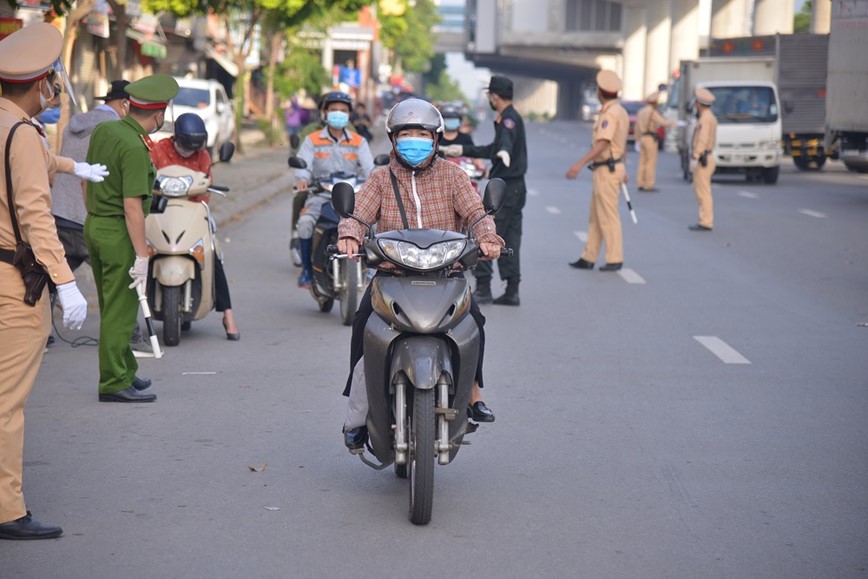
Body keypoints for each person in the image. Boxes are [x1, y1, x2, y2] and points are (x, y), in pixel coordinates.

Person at [336, 98, 504, 449]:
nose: (415, 140)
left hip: (447, 275)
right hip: (391, 275)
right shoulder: (381, 179)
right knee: (364, 325)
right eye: (406, 134)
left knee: (475, 323)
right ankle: (358, 417)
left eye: (422, 134)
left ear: (436, 139)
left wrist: (489, 238)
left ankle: (473, 395)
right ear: (394, 139)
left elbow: (477, 214)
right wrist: (350, 236)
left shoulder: (454, 176)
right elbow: (358, 214)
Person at [0, 22, 89, 541]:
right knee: (7, 404)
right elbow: (36, 216)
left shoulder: (9, 127)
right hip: (15, 282)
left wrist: (71, 163)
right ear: (40, 85)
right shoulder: (22, 134)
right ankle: (8, 509)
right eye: (52, 82)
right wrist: (66, 282)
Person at [84, 74, 179, 403]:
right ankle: (112, 382)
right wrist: (142, 255)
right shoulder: (134, 147)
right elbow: (132, 208)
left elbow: (87, 178)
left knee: (113, 304)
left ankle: (124, 370)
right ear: (157, 115)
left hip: (95, 225)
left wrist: (95, 211)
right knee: (120, 311)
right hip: (118, 233)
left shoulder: (106, 130)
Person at [49, 80, 151, 352]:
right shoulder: (113, 131)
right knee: (119, 284)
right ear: (124, 105)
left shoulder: (75, 124)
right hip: (91, 216)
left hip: (60, 211)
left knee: (51, 277)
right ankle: (130, 338)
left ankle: (42, 331)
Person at [150, 113, 240, 340]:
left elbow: (206, 188)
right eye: (184, 146)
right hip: (159, 210)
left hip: (192, 211)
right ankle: (129, 317)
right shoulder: (158, 150)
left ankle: (228, 314)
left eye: (194, 147)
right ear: (175, 138)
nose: (189, 151)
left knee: (213, 251)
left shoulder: (202, 156)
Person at [444, 75, 527, 306]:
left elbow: (504, 145)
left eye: (490, 95)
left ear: (494, 96)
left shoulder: (508, 119)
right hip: (515, 187)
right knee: (510, 236)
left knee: (486, 229)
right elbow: (493, 148)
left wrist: (504, 152)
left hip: (507, 187)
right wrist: (464, 149)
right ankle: (512, 289)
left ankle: (483, 287)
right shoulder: (508, 116)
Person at [293, 91, 374, 288]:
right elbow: (303, 166)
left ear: (349, 114)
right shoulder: (312, 140)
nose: (338, 114)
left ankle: (371, 272)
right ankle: (307, 271)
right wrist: (303, 179)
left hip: (352, 196)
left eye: (343, 111)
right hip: (321, 194)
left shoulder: (359, 141)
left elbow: (370, 168)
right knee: (304, 223)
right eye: (334, 110)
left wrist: (374, 181)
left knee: (374, 226)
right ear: (325, 112)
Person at [565, 69, 629, 272]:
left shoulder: (609, 114)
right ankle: (589, 256)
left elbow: (603, 144)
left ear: (601, 91)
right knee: (596, 216)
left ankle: (614, 258)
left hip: (607, 170)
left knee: (608, 216)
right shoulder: (620, 111)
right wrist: (623, 167)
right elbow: (622, 144)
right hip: (611, 168)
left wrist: (579, 164)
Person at [688, 87, 718, 232]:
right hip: (705, 156)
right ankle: (704, 219)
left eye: (696, 102)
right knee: (701, 190)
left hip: (703, 158)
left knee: (703, 191)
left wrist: (695, 155)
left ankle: (706, 221)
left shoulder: (705, 118)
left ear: (700, 103)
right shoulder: (708, 117)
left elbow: (702, 139)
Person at [635, 91, 676, 192]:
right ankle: (649, 184)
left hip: (642, 138)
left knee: (642, 162)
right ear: (654, 102)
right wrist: (674, 122)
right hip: (650, 138)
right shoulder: (652, 112)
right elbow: (662, 122)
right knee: (650, 162)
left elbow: (636, 127)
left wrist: (637, 139)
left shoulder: (641, 112)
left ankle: (640, 183)